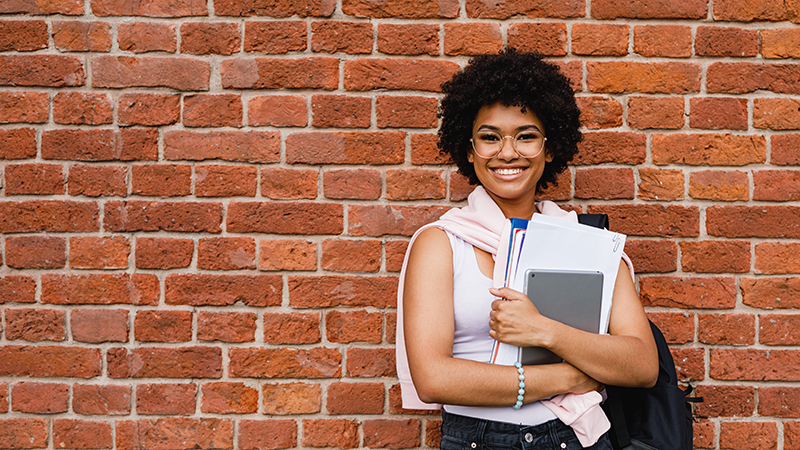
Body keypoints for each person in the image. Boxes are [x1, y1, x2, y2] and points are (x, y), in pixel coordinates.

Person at [395, 49, 659, 450]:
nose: (507, 152)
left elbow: (642, 365)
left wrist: (545, 331)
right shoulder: (443, 243)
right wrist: (566, 378)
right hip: (477, 441)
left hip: (575, 438)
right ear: (469, 150)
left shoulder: (584, 243)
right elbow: (433, 379)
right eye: (489, 137)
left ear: (549, 148)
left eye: (526, 136)